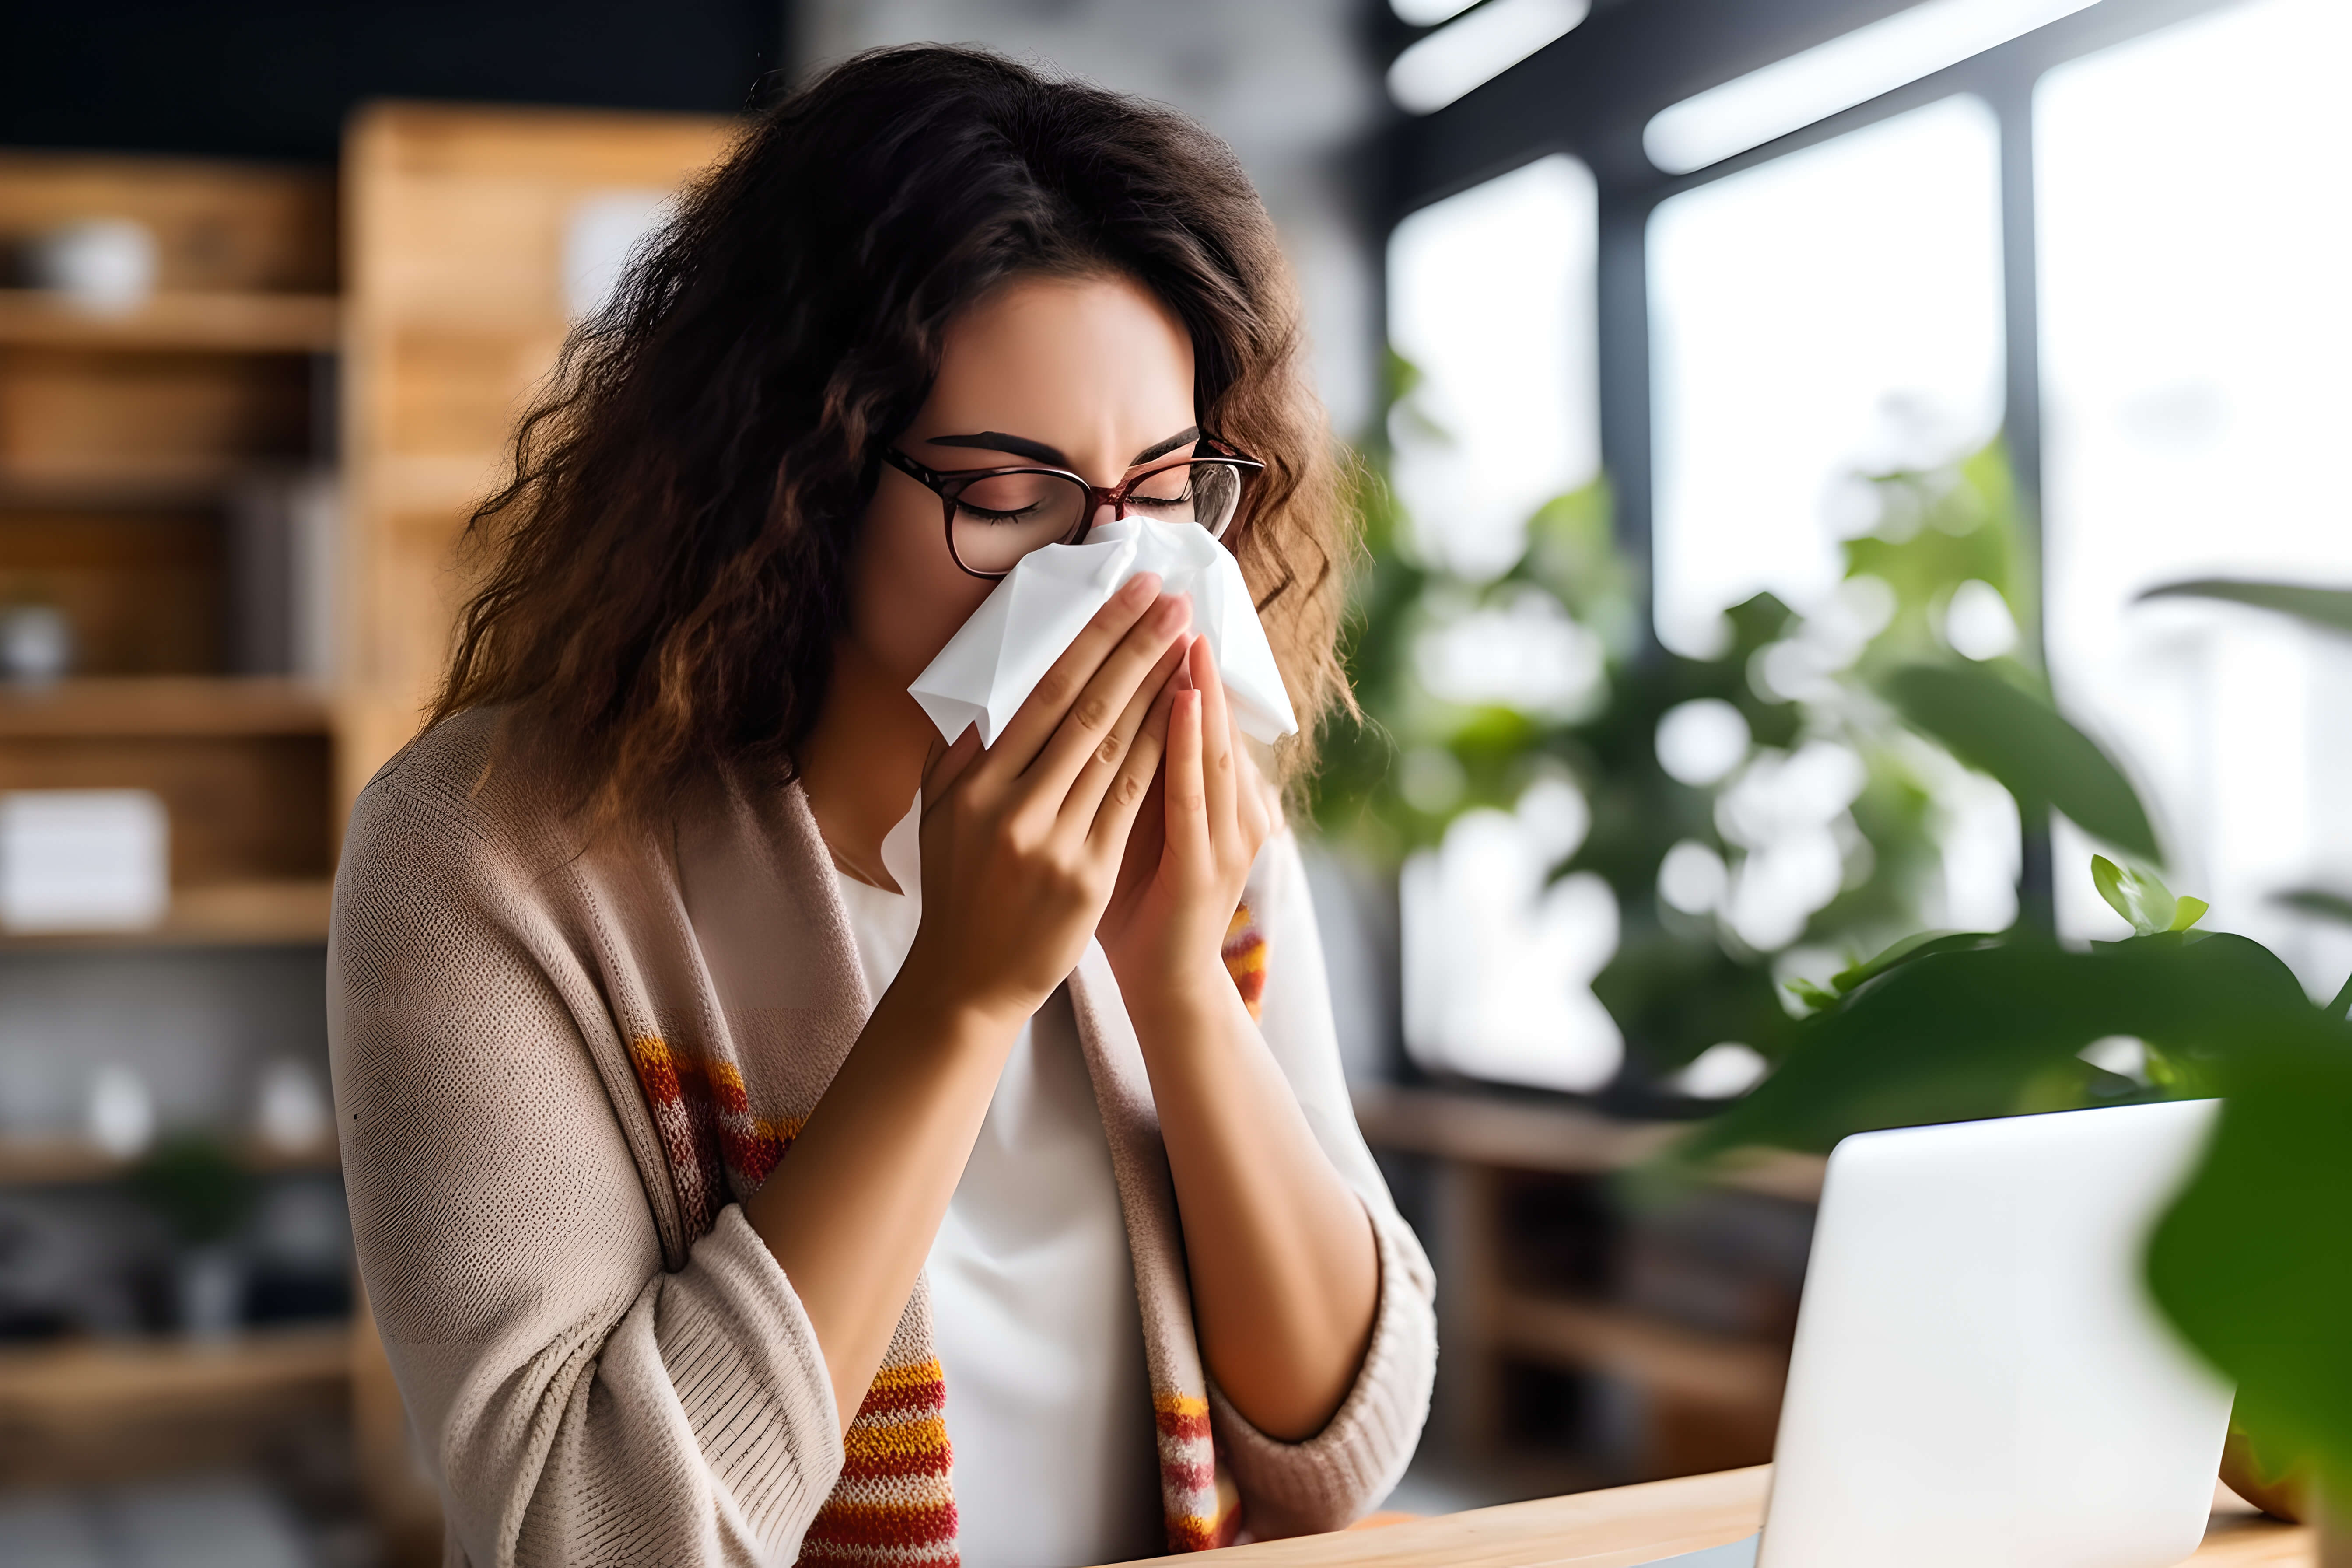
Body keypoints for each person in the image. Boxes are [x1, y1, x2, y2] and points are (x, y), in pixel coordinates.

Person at [328, 44, 1435, 1568]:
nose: (1114, 572)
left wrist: (1179, 989)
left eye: (1165, 487)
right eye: (1007, 493)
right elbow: (580, 1535)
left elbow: (1337, 1454)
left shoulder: (1199, 824)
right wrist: (962, 997)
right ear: (801, 478)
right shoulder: (492, 853)